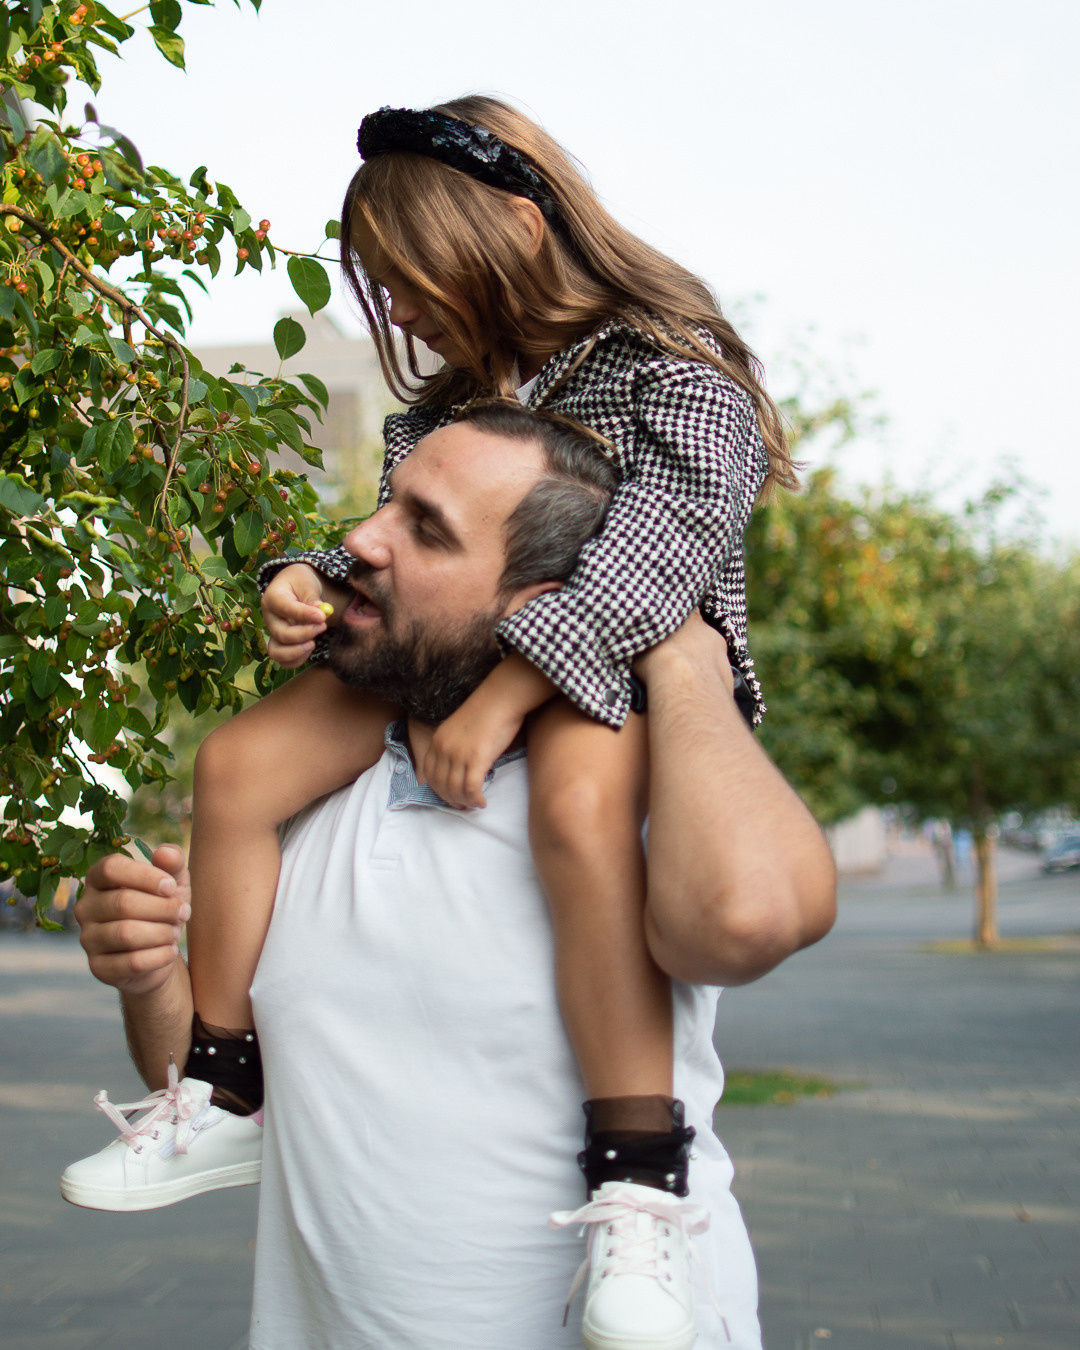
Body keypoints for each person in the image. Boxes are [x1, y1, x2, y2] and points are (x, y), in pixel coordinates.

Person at [66, 94, 802, 1342]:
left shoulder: (674, 373)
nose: (396, 311)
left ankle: (635, 1175)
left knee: (573, 805)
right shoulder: (460, 404)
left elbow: (660, 553)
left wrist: (517, 682)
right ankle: (222, 1090)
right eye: (382, 287)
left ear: (515, 227)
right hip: (453, 673)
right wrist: (296, 580)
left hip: (609, 669)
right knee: (239, 760)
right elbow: (393, 532)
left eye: (409, 278)